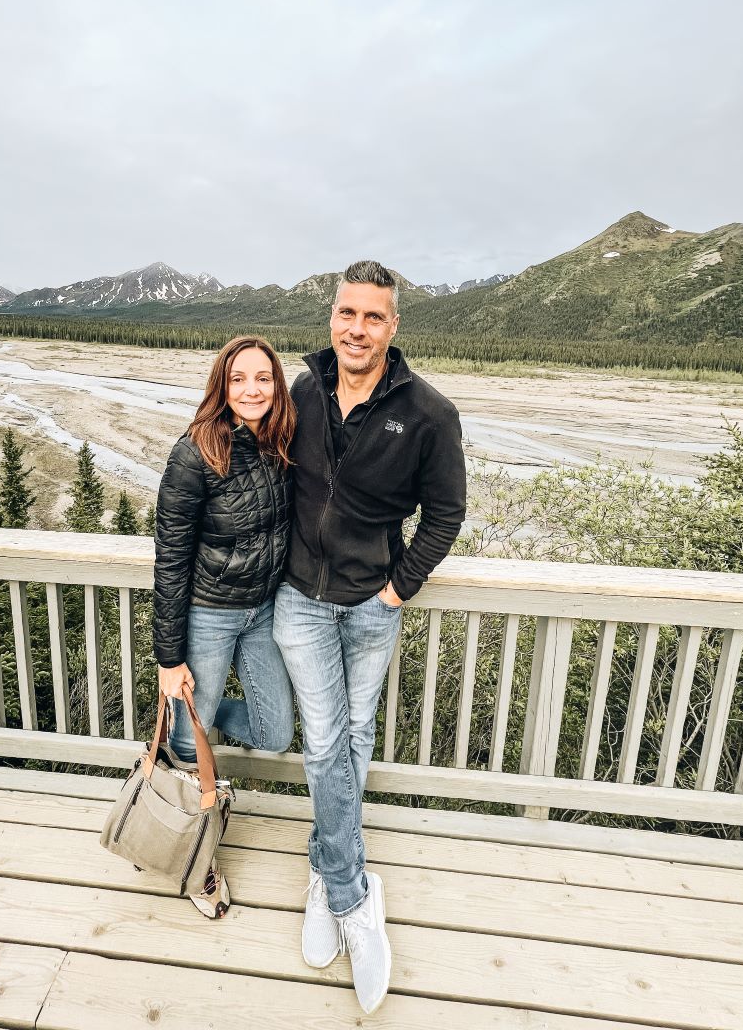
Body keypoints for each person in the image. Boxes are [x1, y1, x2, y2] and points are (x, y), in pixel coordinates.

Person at [273, 260, 466, 1013]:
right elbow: (274, 477)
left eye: (373, 317)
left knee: (353, 737)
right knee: (325, 742)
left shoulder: (428, 414)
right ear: (332, 318)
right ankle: (354, 898)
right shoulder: (302, 390)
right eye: (347, 313)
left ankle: (326, 868)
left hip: (371, 605)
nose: (357, 328)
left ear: (394, 326)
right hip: (299, 600)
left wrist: (397, 587)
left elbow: (444, 514)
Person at [152, 335, 296, 918]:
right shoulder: (194, 452)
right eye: (239, 379)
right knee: (191, 743)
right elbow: (170, 558)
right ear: (222, 384)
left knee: (277, 730)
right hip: (208, 614)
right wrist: (169, 660)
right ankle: (196, 864)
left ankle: (194, 736)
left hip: (262, 611)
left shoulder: (281, 443)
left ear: (277, 386)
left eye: (263, 378)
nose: (252, 389)